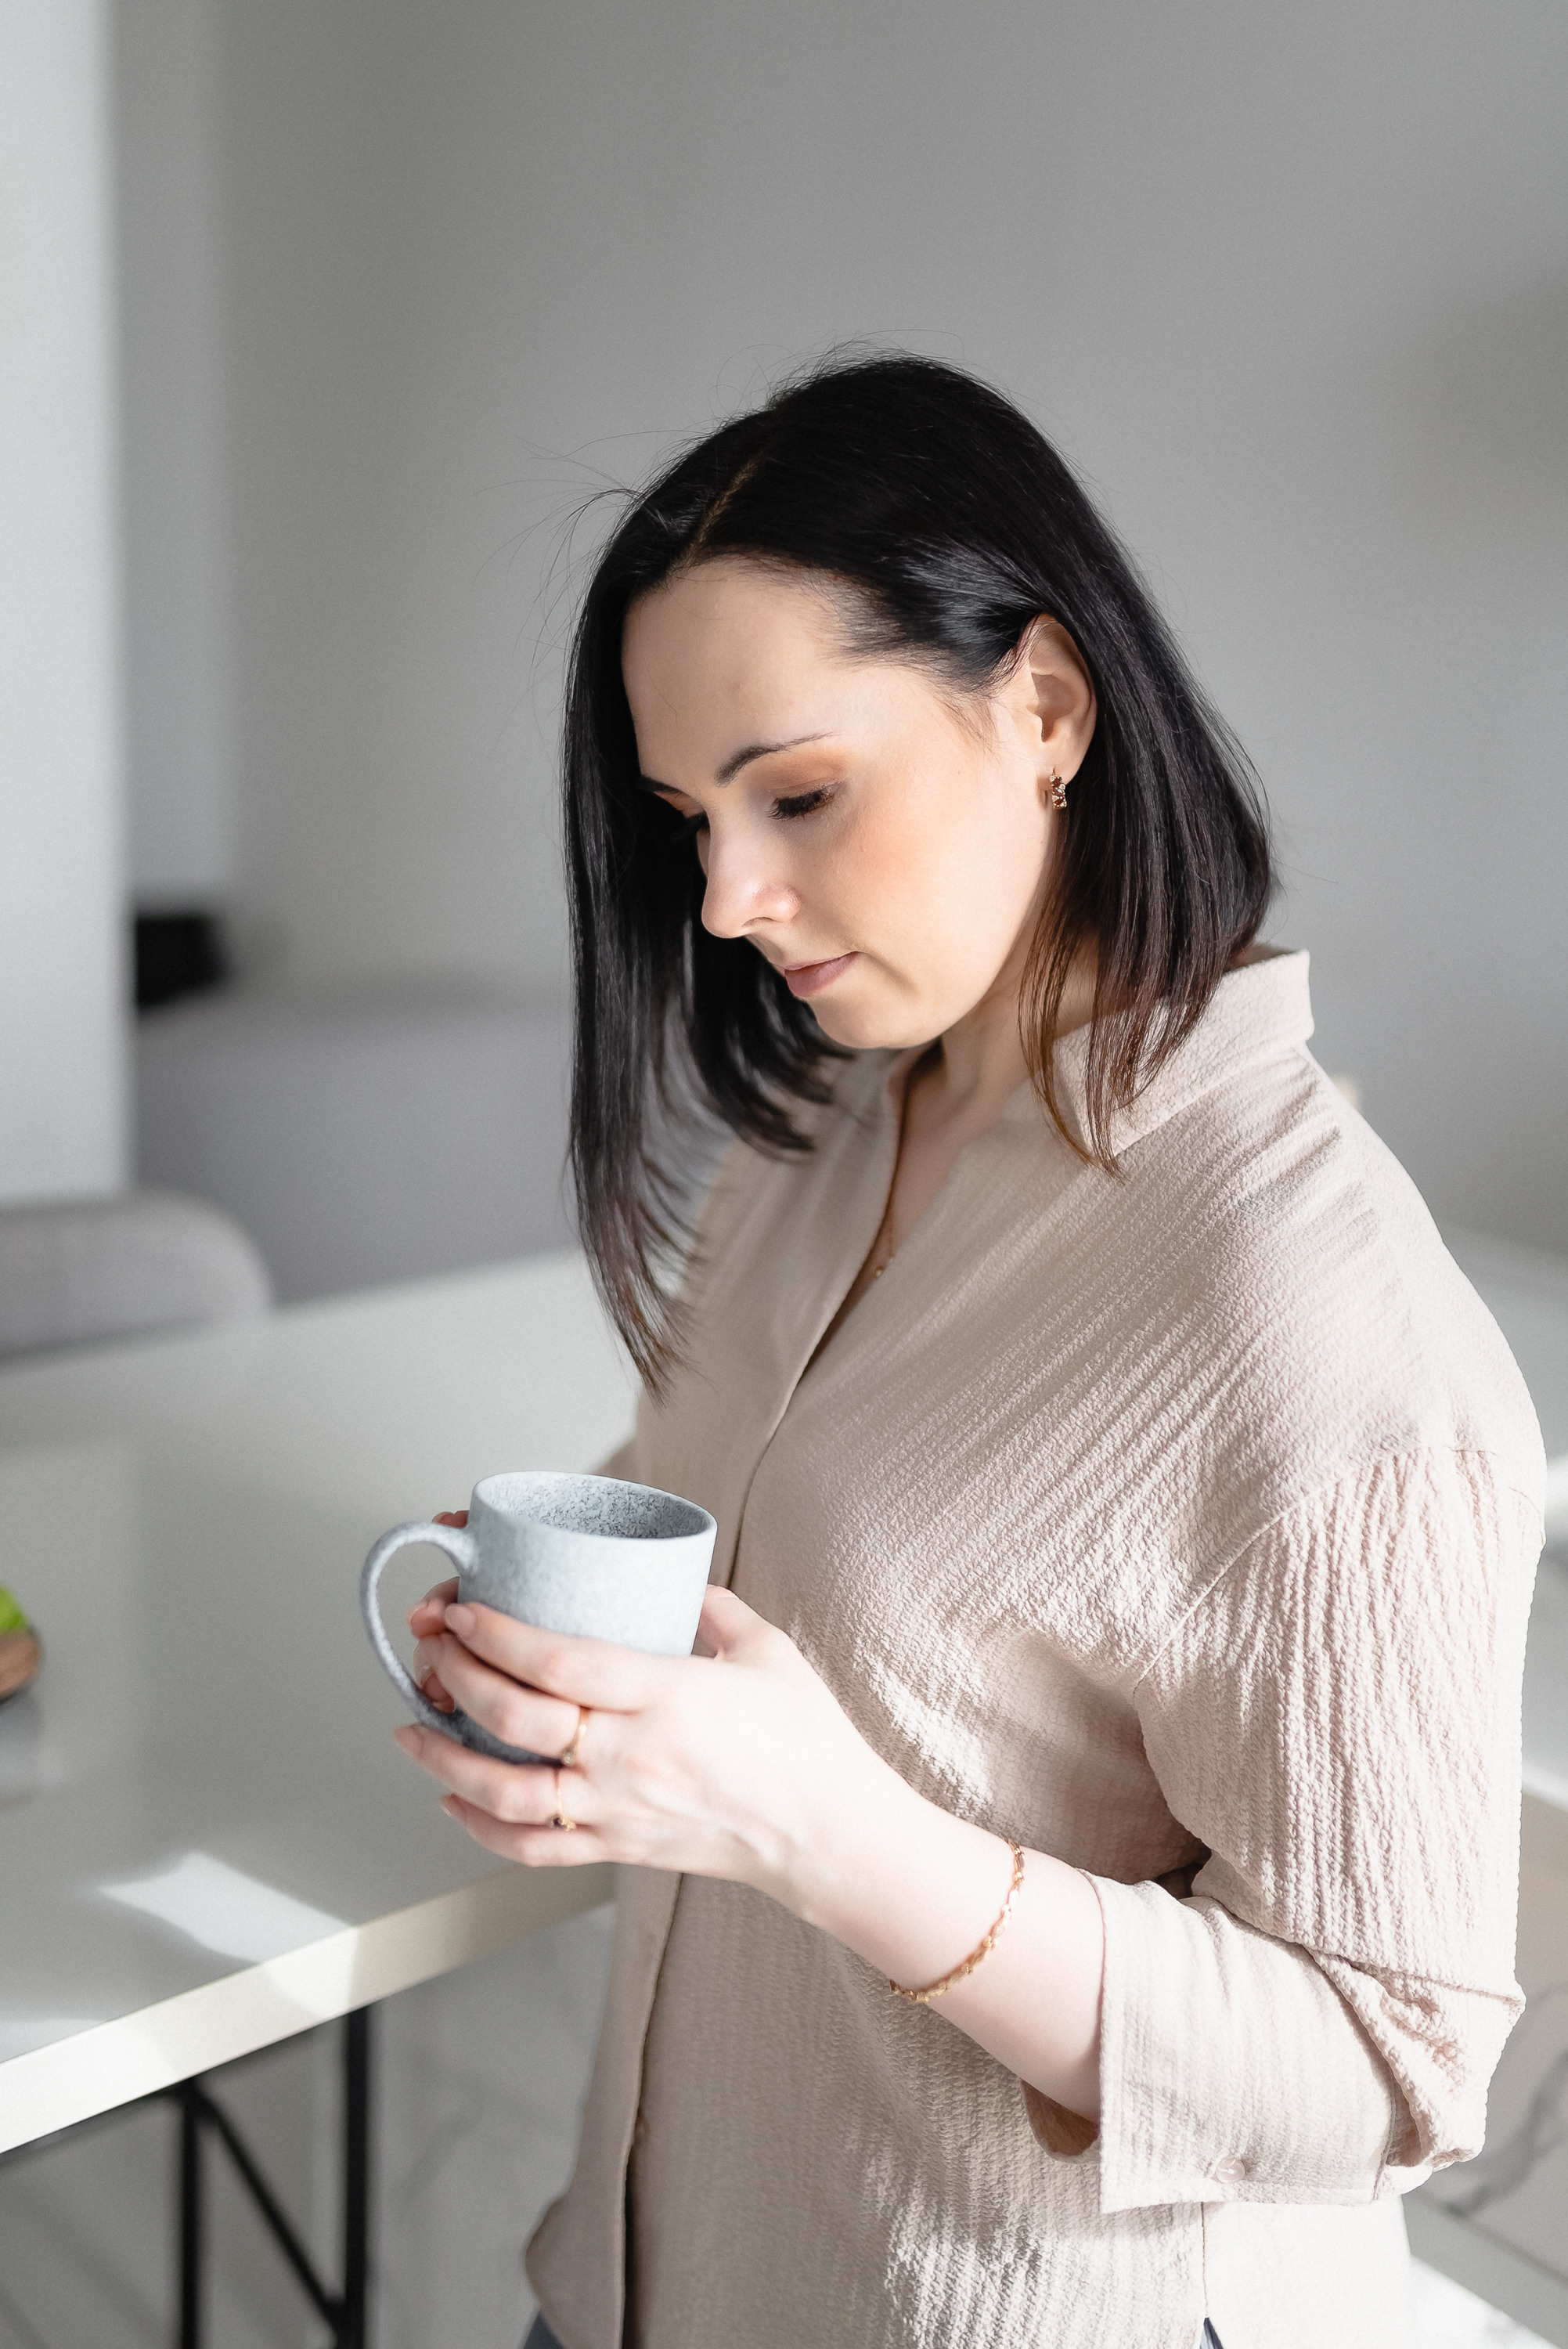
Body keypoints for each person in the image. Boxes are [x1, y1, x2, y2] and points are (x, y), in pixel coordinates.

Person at [394, 355, 1545, 2349]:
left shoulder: (1324, 1328)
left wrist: (819, 1829)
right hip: (659, 2270)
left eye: (801, 794)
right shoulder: (837, 1124)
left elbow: (1388, 2071)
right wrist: (578, 1696)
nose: (731, 899)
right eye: (688, 820)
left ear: (1045, 706)